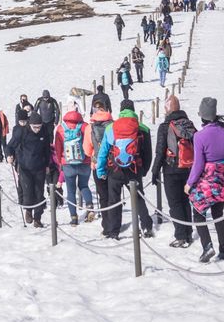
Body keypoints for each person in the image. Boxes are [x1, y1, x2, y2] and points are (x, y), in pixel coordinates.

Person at [185, 97, 224, 263]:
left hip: (207, 181)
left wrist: (189, 183)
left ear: (202, 115)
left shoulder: (199, 136)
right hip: (223, 180)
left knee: (198, 213)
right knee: (217, 214)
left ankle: (207, 246)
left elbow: (198, 164)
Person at [96, 99, 155, 239]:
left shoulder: (111, 127)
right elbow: (148, 154)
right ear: (133, 110)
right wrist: (143, 170)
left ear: (121, 111)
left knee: (113, 200)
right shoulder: (142, 128)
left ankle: (113, 231)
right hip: (134, 169)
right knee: (139, 198)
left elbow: (103, 151)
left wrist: (101, 171)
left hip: (114, 169)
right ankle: (146, 226)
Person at [151, 95, 196, 248]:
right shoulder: (189, 125)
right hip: (188, 168)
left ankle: (181, 235)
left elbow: (160, 151)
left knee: (175, 203)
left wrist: (155, 171)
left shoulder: (165, 126)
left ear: (168, 109)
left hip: (171, 169)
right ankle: (188, 232)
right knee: (185, 201)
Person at [6, 113, 58, 228]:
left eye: (39, 127)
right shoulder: (22, 132)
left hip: (40, 167)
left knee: (39, 193)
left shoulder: (44, 131)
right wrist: (9, 155)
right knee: (28, 192)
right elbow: (9, 146)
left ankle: (38, 218)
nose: (37, 129)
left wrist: (48, 164)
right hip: (25, 168)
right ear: (30, 125)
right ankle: (28, 211)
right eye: (35, 127)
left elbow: (46, 149)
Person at [54, 106, 94, 225]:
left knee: (70, 191)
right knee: (84, 185)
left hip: (68, 164)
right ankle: (89, 205)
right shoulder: (85, 126)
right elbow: (90, 143)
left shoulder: (61, 128)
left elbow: (57, 148)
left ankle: (74, 218)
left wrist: (61, 163)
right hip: (84, 162)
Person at [84, 101, 114, 236]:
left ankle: (107, 226)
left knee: (103, 196)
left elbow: (86, 149)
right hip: (112, 165)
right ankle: (115, 225)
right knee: (114, 195)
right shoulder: (113, 125)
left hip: (96, 165)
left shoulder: (90, 127)